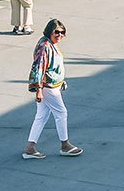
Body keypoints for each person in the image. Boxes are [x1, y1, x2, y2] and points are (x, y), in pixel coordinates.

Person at [23, 19, 81, 159]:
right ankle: (65, 145)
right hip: (47, 87)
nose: (60, 35)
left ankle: (30, 148)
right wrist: (38, 89)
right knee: (61, 113)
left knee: (41, 116)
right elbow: (39, 67)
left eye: (62, 32)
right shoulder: (45, 46)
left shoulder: (50, 44)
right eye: (57, 32)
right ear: (50, 31)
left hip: (52, 86)